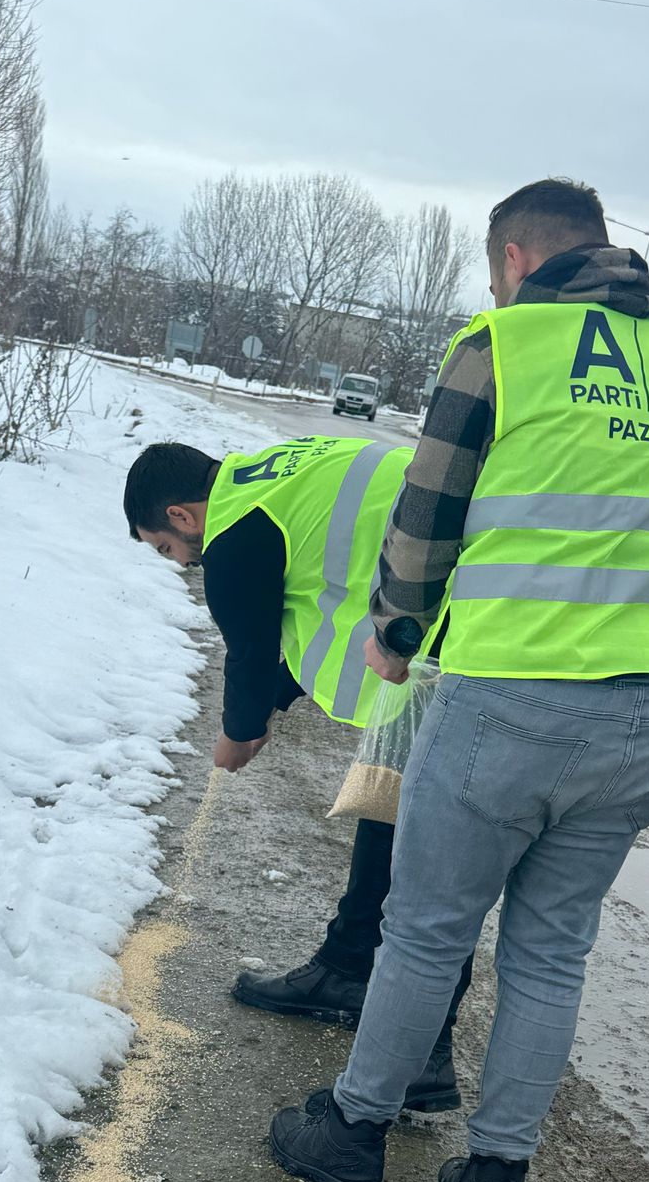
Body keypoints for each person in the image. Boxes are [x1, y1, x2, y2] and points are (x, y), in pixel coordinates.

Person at [269, 178, 649, 1182]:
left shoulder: (506, 341)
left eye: (498, 269)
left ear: (519, 260)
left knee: (428, 926)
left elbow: (430, 503)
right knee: (552, 950)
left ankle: (350, 1130)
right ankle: (493, 1180)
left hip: (511, 695)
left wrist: (396, 628)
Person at [123, 437, 472, 1111]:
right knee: (389, 797)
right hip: (439, 612)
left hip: (462, 632)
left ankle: (425, 1052)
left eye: (165, 547)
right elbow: (320, 611)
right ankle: (345, 967)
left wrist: (239, 733)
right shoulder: (273, 476)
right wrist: (275, 705)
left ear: (183, 516)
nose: (179, 563)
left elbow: (249, 647)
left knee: (431, 847)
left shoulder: (230, 539)